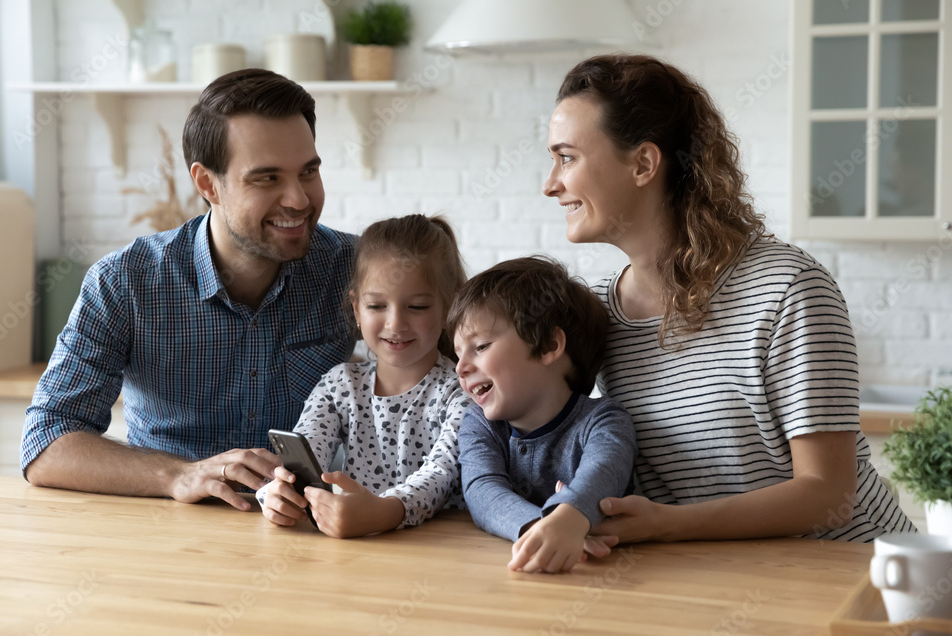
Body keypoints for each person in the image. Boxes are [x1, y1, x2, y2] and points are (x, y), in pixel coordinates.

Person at [543, 54, 916, 543]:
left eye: (567, 158)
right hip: (721, 585)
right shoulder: (596, 313)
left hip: (856, 582)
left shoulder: (787, 288)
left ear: (643, 163)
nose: (550, 184)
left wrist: (666, 524)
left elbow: (830, 495)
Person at [20, 69, 356, 512]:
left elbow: (457, 371)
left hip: (309, 530)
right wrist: (180, 474)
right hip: (170, 534)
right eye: (267, 178)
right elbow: (47, 442)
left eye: (308, 171)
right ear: (207, 184)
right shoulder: (124, 283)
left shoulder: (353, 269)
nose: (298, 199)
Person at [257, 215, 472, 538]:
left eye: (417, 307)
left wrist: (385, 512)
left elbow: (441, 474)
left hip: (440, 549)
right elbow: (303, 453)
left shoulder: (462, 393)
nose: (395, 323)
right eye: (377, 306)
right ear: (356, 308)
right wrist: (275, 493)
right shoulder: (338, 385)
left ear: (448, 308)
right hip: (359, 551)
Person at [450, 256, 637, 574]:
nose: (460, 368)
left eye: (480, 346)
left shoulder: (605, 421)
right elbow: (482, 492)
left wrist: (571, 516)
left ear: (550, 344)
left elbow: (603, 473)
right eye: (458, 354)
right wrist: (545, 528)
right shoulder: (479, 423)